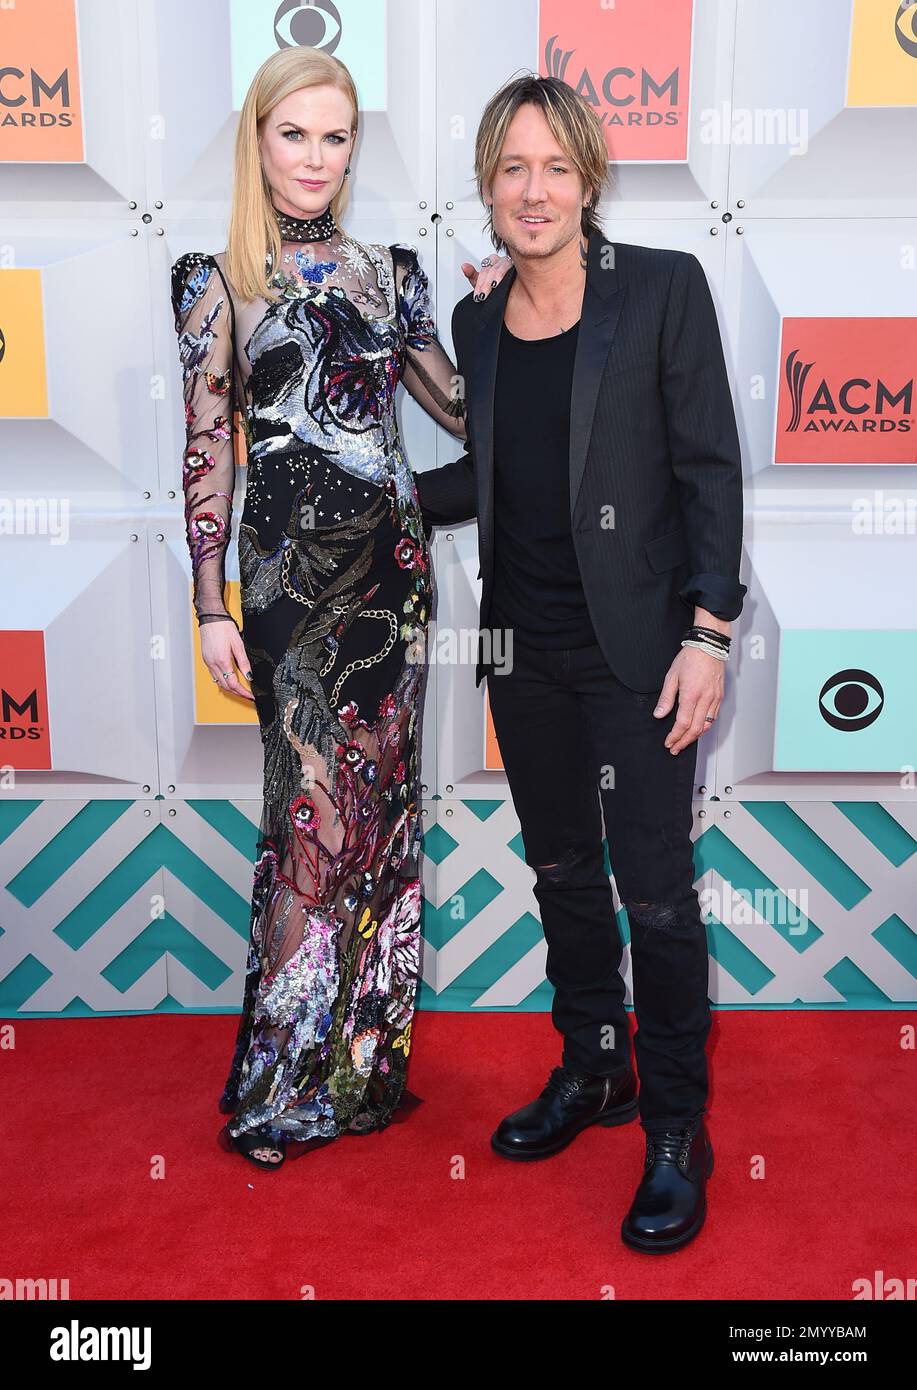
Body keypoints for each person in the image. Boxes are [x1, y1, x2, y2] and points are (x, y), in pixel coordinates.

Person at [417, 73, 746, 1252]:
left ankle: (676, 1128)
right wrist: (377, 504)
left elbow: (709, 470)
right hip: (523, 651)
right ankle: (593, 1065)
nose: (533, 188)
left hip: (642, 656)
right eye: (511, 167)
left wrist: (708, 635)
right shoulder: (478, 321)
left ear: (588, 177)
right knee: (560, 870)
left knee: (653, 894)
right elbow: (496, 475)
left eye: (554, 165)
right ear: (486, 188)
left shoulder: (660, 289)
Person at [170, 46, 508, 1171]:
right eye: (294, 134)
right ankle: (278, 1083)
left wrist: (494, 322)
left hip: (391, 581)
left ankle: (359, 1068)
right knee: (309, 818)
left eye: (336, 135)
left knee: (378, 818)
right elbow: (208, 448)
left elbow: (460, 414)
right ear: (257, 139)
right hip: (282, 592)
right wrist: (210, 603)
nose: (316, 157)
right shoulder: (214, 279)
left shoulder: (389, 272)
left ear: (354, 147)